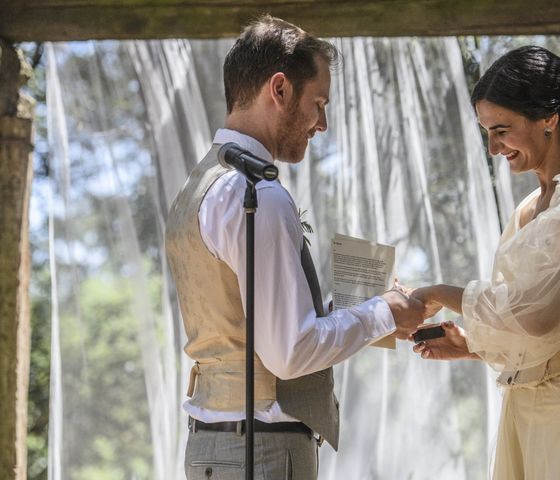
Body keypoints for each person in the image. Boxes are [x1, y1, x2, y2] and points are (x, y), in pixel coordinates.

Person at [165, 15, 428, 480]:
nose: (322, 124)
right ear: (280, 90)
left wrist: (342, 311)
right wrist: (384, 311)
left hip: (216, 446)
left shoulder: (202, 185)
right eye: (319, 103)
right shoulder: (256, 194)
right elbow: (289, 353)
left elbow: (252, 328)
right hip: (261, 453)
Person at [408, 45, 560, 479]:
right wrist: (473, 346)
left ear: (549, 118)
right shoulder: (527, 209)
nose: (494, 147)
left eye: (502, 129)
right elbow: (528, 321)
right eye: (487, 132)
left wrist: (440, 293)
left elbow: (539, 315)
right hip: (523, 410)